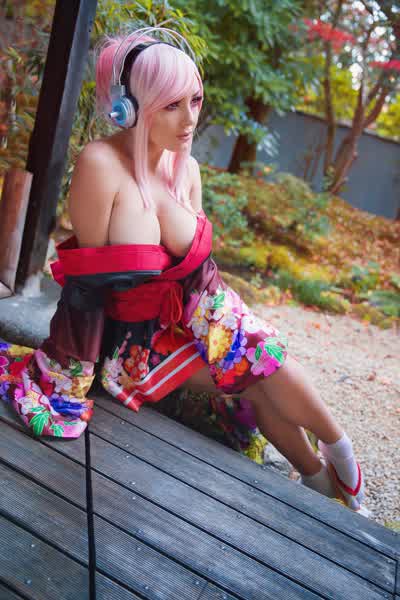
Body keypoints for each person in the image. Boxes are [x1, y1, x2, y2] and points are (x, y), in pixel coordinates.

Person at [0, 26, 366, 514]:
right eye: (171, 105)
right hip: (130, 345)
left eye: (194, 100)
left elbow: (201, 278)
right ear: (128, 108)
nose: (190, 118)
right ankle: (338, 460)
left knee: (254, 360)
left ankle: (322, 478)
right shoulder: (100, 163)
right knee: (254, 368)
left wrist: (223, 328)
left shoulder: (185, 169)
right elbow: (86, 286)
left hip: (193, 321)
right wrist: (69, 375)